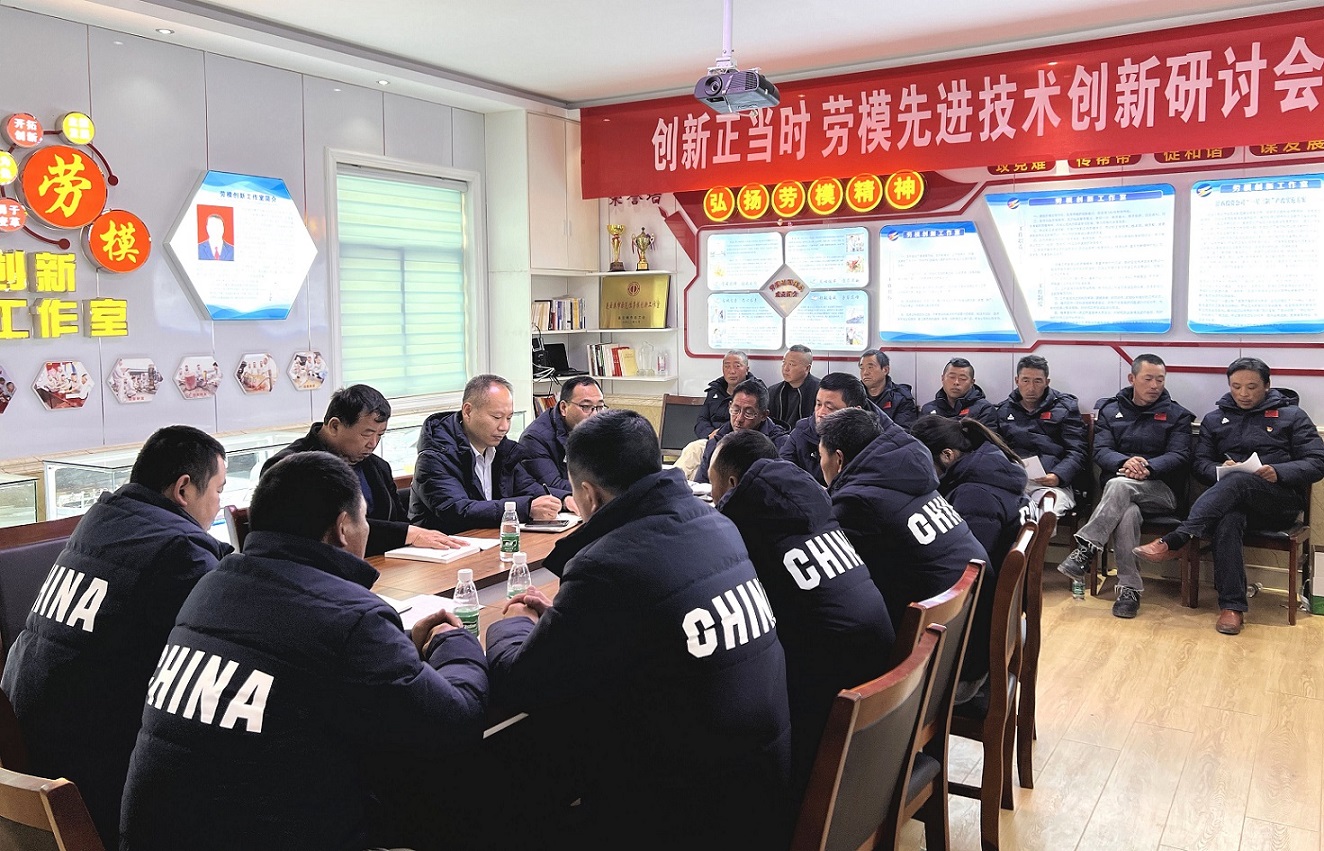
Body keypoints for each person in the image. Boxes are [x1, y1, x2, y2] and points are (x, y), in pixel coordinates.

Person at [120, 452, 488, 851]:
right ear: (343, 528)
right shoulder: (352, 616)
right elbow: (455, 720)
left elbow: (295, 663)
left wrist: (399, 651)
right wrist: (454, 641)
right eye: (364, 518)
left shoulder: (210, 586)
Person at [485, 411, 792, 851]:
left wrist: (512, 620)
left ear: (589, 495)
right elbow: (655, 617)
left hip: (688, 814)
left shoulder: (607, 565)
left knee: (516, 778)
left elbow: (521, 682)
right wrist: (571, 617)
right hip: (760, 788)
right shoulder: (718, 524)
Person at [1, 426, 232, 847]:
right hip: (90, 784)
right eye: (218, 490)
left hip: (28, 765)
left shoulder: (101, 520)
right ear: (184, 489)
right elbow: (230, 639)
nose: (220, 502)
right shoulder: (178, 550)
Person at [709, 428, 893, 799]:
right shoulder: (812, 504)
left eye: (711, 483)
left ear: (731, 484)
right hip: (881, 689)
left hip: (833, 708)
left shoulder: (747, 528)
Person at [1134, 358, 1324, 634]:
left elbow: (1317, 462)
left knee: (1240, 482)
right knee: (1229, 518)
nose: (1243, 394)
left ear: (1267, 386)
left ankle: (1178, 538)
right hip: (1228, 502)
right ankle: (1232, 608)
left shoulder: (1293, 416)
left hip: (1278, 502)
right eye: (1236, 387)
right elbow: (1200, 464)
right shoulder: (1215, 419)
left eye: (1251, 387)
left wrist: (1278, 471)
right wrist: (1220, 469)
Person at [818, 407, 988, 630]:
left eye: (820, 456)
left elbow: (845, 582)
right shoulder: (907, 473)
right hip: (972, 612)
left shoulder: (858, 503)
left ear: (839, 459)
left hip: (939, 631)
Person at [1056, 354, 1194, 619]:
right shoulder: (1111, 411)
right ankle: (1129, 590)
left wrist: (1148, 467)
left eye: (1160, 380)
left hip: (1161, 492)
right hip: (1120, 492)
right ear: (1132, 378)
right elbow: (1101, 450)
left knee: (1120, 486)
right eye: (1148, 379)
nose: (1154, 385)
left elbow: (1180, 455)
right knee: (1127, 511)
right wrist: (1125, 462)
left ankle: (1086, 548)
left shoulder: (1177, 415)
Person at [264, 384, 461, 556]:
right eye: (367, 434)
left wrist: (410, 534)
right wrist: (406, 534)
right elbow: (326, 528)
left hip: (384, 563)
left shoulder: (378, 467)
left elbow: (399, 522)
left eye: (380, 435)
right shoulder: (289, 467)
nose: (373, 443)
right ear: (334, 426)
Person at [911, 416, 1027, 696]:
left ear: (947, 455)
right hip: (995, 627)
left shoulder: (974, 494)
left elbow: (967, 574)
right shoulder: (994, 471)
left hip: (970, 655)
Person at [410, 374, 569, 531]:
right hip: (445, 543)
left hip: (489, 539)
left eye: (509, 418)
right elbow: (458, 510)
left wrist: (564, 499)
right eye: (496, 417)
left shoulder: (502, 449)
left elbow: (528, 487)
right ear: (467, 411)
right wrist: (525, 509)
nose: (504, 427)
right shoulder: (434, 456)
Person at [994, 354, 1088, 515]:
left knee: (1046, 511)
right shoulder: (1003, 410)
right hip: (1013, 482)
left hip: (1052, 484)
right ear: (1017, 380)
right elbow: (995, 450)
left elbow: (1077, 451)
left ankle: (1036, 531)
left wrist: (1058, 475)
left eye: (1037, 381)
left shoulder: (1065, 407)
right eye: (1025, 380)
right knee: (991, 505)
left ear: (1047, 382)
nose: (1031, 388)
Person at [780, 371, 886, 486]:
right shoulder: (802, 430)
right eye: (818, 404)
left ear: (855, 411)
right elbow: (783, 471)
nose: (820, 413)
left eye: (830, 408)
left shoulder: (877, 440)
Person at [693, 377, 790, 484]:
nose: (739, 419)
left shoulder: (781, 444)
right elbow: (701, 484)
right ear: (729, 406)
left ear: (763, 415)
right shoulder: (717, 441)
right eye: (735, 410)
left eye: (748, 413)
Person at [518, 375, 605, 493]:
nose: (595, 414)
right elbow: (553, 485)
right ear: (564, 407)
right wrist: (605, 489)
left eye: (600, 407)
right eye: (585, 406)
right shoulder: (534, 438)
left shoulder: (600, 426)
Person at [694, 350, 763, 439]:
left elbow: (755, 423)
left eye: (737, 366)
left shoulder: (757, 391)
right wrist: (710, 434)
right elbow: (702, 420)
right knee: (694, 447)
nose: (732, 371)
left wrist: (722, 434)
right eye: (727, 366)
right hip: (711, 438)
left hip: (740, 440)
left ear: (747, 370)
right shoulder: (714, 390)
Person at [919, 356, 999, 428]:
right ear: (942, 378)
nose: (956, 382)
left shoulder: (984, 409)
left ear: (972, 382)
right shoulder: (928, 409)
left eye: (962, 379)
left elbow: (988, 438)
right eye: (952, 377)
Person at [858, 348, 918, 430]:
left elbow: (903, 432)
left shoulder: (901, 398)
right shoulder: (853, 395)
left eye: (870, 367)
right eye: (862, 368)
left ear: (885, 370)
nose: (865, 373)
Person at [767, 344, 819, 428]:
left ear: (807, 368)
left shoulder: (819, 391)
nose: (785, 368)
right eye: (784, 363)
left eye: (791, 364)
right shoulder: (773, 391)